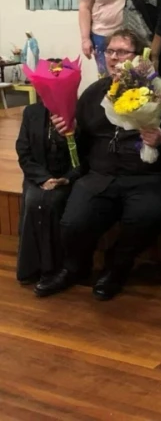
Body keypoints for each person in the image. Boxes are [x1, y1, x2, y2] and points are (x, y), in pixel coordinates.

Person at [34, 29, 161, 301]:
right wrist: (68, 132)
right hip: (100, 175)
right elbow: (81, 141)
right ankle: (74, 268)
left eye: (122, 52)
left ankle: (117, 267)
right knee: (73, 222)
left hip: (149, 177)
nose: (114, 58)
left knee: (145, 218)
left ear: (140, 56)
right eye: (109, 51)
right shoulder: (94, 93)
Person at [15, 99, 80, 286]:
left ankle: (52, 269)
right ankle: (30, 268)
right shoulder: (31, 112)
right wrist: (42, 178)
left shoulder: (79, 113)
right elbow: (23, 151)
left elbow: (85, 156)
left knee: (52, 202)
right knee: (34, 200)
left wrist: (67, 178)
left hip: (67, 176)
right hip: (37, 175)